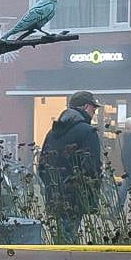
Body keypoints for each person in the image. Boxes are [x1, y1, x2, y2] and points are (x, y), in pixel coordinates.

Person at [38, 90, 104, 244]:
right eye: (94, 108)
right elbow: (91, 166)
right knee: (70, 240)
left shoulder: (52, 133)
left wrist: (52, 185)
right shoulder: (88, 132)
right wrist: (90, 192)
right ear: (86, 107)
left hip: (55, 195)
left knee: (61, 236)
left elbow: (42, 166)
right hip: (77, 196)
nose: (94, 112)